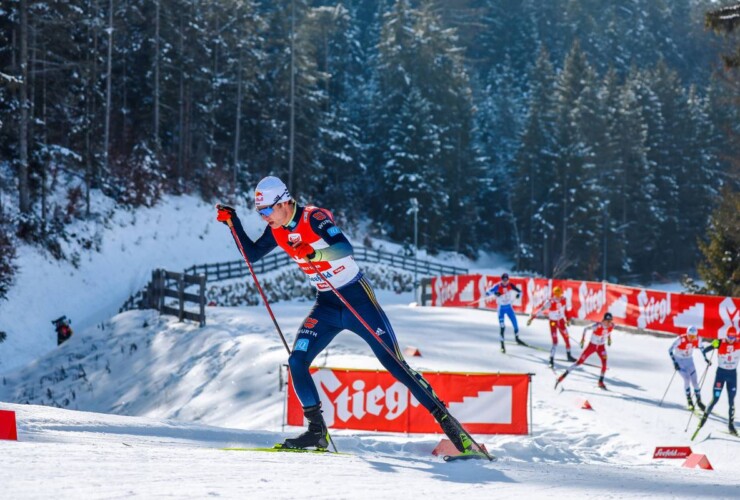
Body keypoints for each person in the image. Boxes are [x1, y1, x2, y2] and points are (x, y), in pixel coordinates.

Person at [216, 176, 476, 453]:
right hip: (326, 304)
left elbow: (344, 247)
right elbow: (253, 254)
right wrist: (234, 224)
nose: (265, 217)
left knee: (395, 364)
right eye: (260, 212)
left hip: (356, 298)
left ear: (283, 202)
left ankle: (452, 427)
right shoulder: (277, 228)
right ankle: (317, 432)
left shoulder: (313, 217)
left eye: (267, 210)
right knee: (297, 360)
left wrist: (315, 255)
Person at [694, 331, 738, 437]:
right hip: (721, 375)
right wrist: (706, 359)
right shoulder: (719, 342)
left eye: (733, 337)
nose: (730, 339)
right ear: (726, 335)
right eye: (729, 336)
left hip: (732, 376)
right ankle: (702, 421)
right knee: (715, 398)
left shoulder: (738, 343)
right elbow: (705, 350)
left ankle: (731, 426)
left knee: (731, 401)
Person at [555, 312, 614, 390]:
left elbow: (608, 332)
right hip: (592, 346)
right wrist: (583, 339)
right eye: (608, 321)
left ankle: (601, 381)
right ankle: (562, 377)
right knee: (579, 362)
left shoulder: (612, 326)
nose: (609, 323)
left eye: (610, 321)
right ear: (604, 320)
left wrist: (609, 339)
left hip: (601, 347)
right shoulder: (597, 326)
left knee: (604, 362)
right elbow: (585, 329)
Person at [526, 286, 576, 367]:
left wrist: (568, 319)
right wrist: (531, 319)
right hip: (553, 323)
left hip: (561, 321)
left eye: (560, 295)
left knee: (566, 337)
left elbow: (565, 310)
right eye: (557, 295)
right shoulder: (549, 302)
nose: (559, 297)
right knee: (555, 341)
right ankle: (551, 359)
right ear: (555, 295)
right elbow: (540, 310)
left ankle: (569, 355)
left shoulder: (564, 300)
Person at [669, 325, 707, 412]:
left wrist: (706, 358)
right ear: (687, 334)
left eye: (693, 336)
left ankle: (699, 401)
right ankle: (689, 401)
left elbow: (701, 348)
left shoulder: (698, 339)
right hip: (679, 360)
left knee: (695, 382)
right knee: (687, 379)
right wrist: (675, 362)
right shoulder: (681, 339)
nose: (692, 338)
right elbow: (670, 350)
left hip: (689, 361)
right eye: (690, 336)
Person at [485, 273, 524, 353]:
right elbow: (487, 292)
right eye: (504, 280)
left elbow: (520, 292)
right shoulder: (498, 286)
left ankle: (517, 338)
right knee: (502, 326)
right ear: (501, 280)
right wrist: (495, 293)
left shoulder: (510, 285)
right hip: (501, 309)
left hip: (509, 308)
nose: (505, 282)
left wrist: (518, 295)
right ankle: (502, 345)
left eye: (506, 280)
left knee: (515, 324)